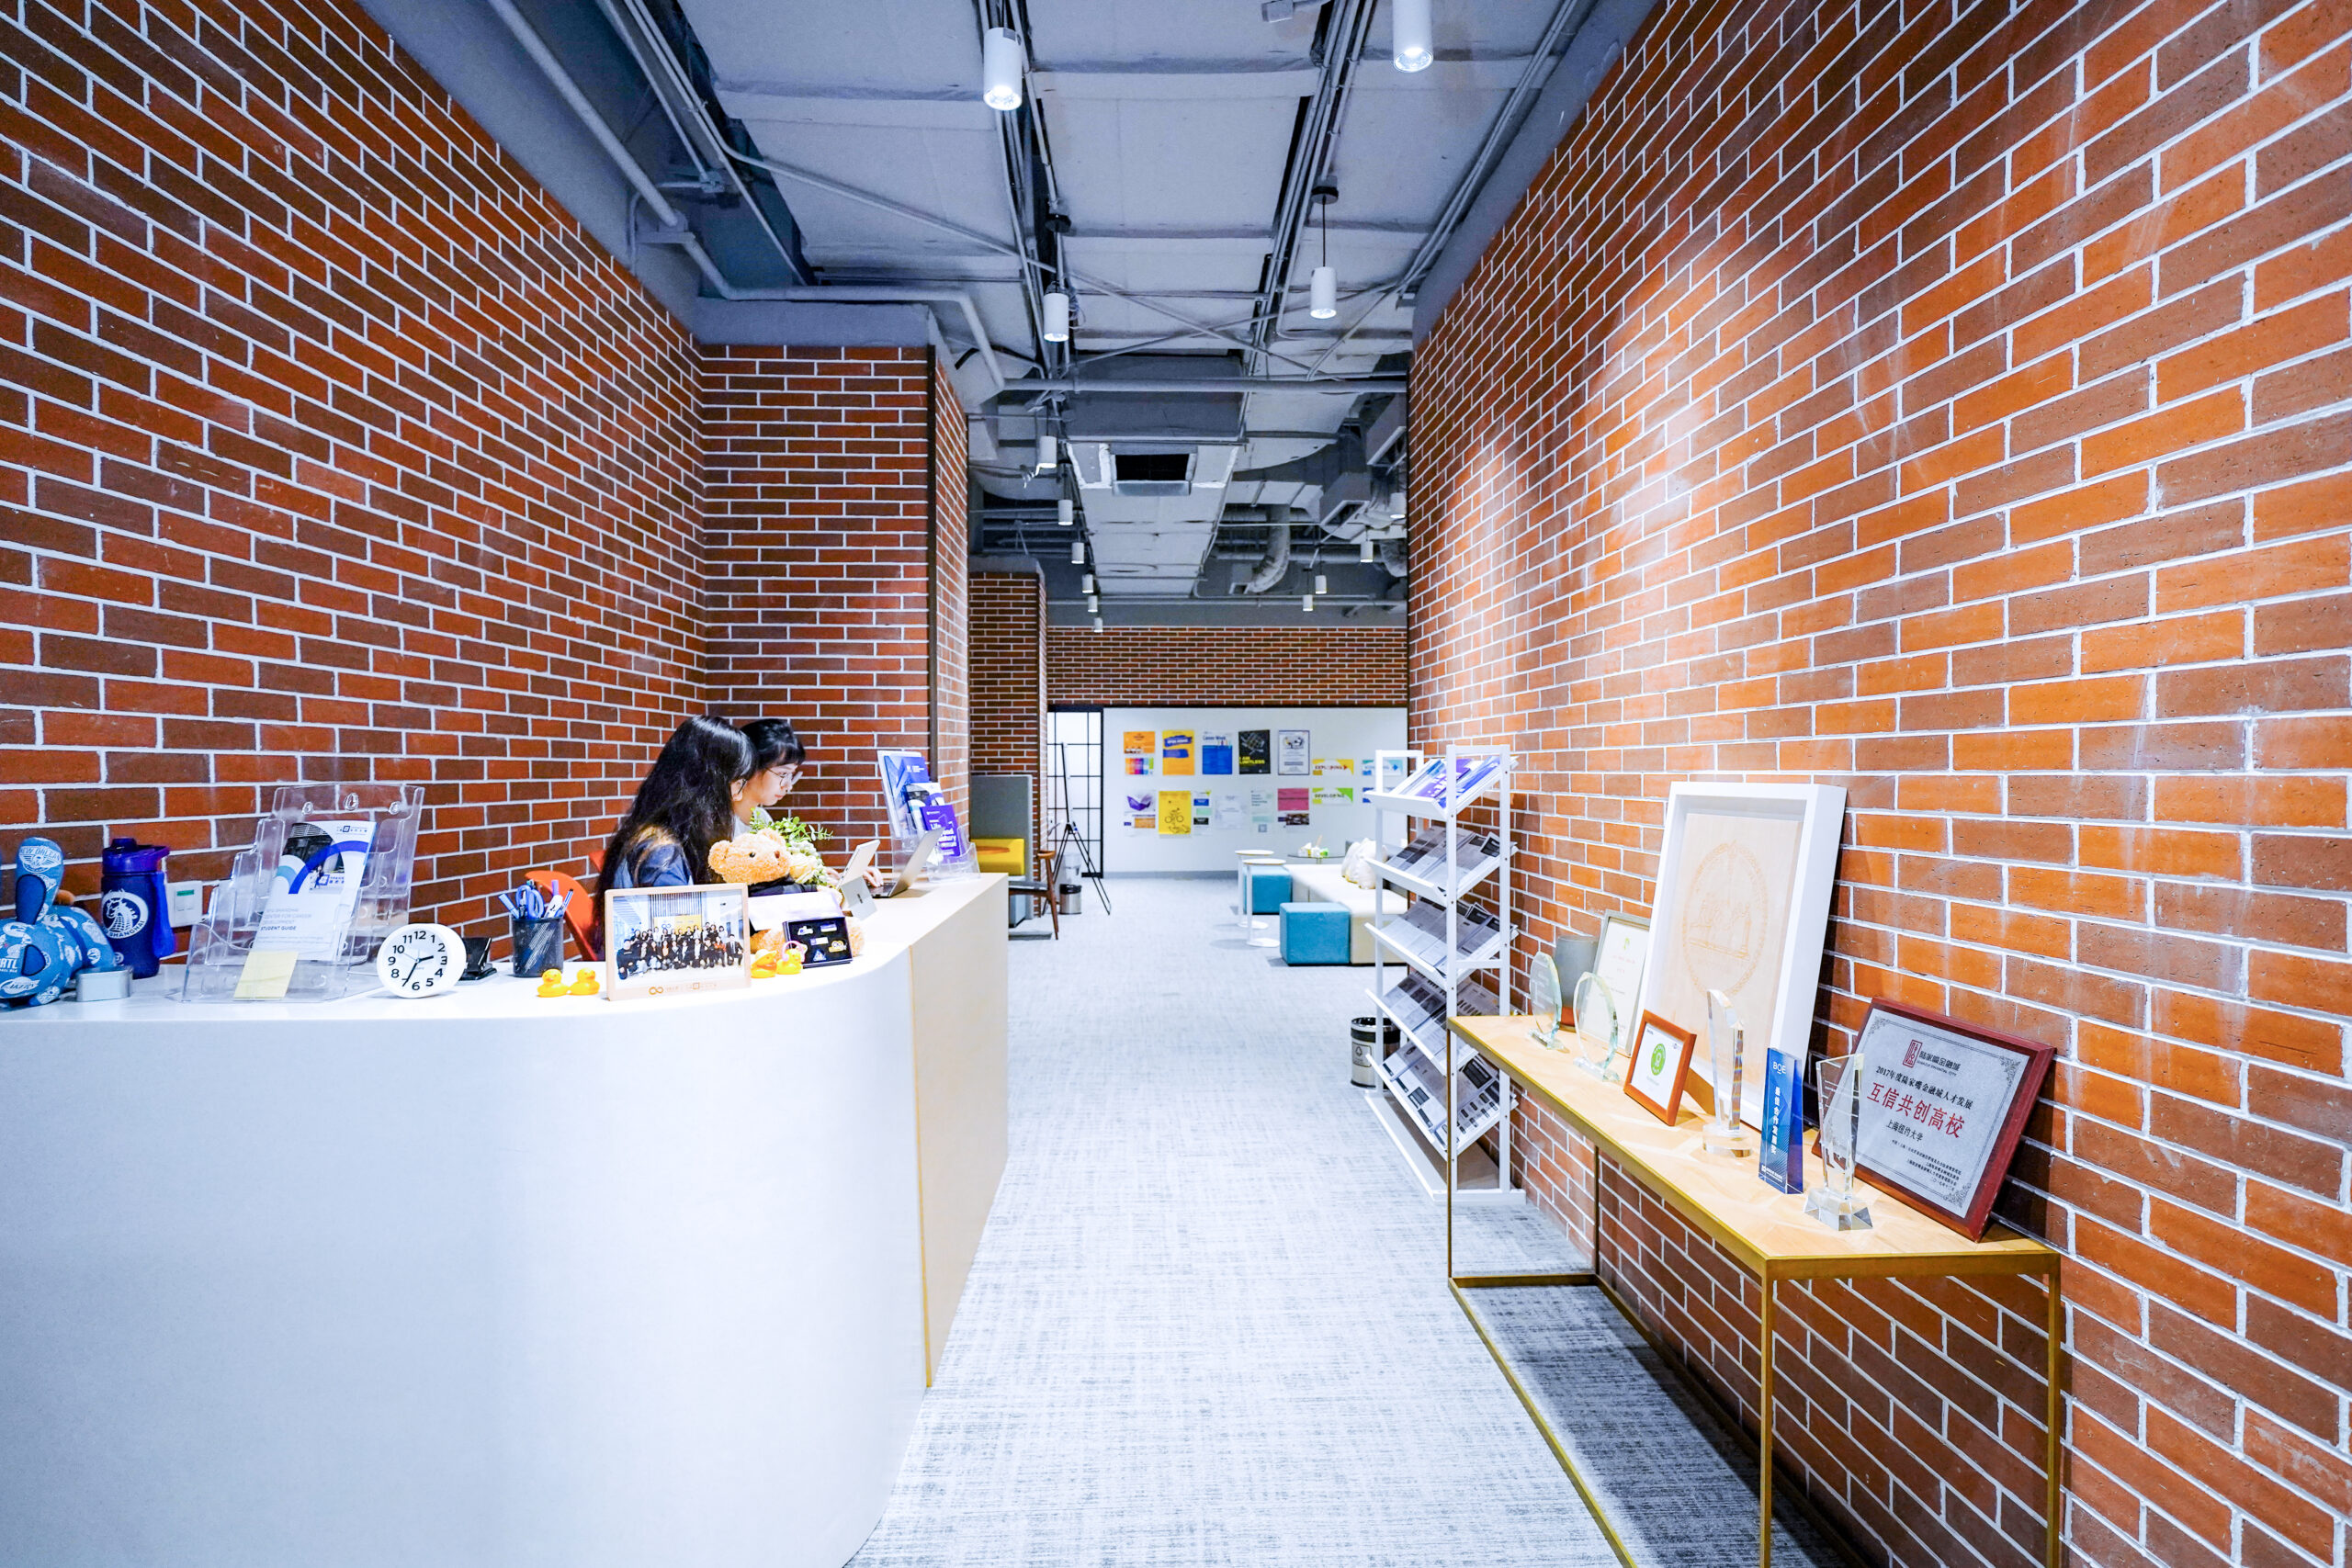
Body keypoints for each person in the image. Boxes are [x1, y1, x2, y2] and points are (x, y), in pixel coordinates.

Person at [596, 716, 757, 895]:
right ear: (709, 783)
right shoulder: (663, 855)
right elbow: (680, 921)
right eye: (739, 783)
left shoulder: (662, 835)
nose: (738, 795)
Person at [735, 718, 808, 831]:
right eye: (783, 773)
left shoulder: (762, 818)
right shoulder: (720, 821)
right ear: (751, 766)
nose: (788, 786)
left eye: (791, 775)